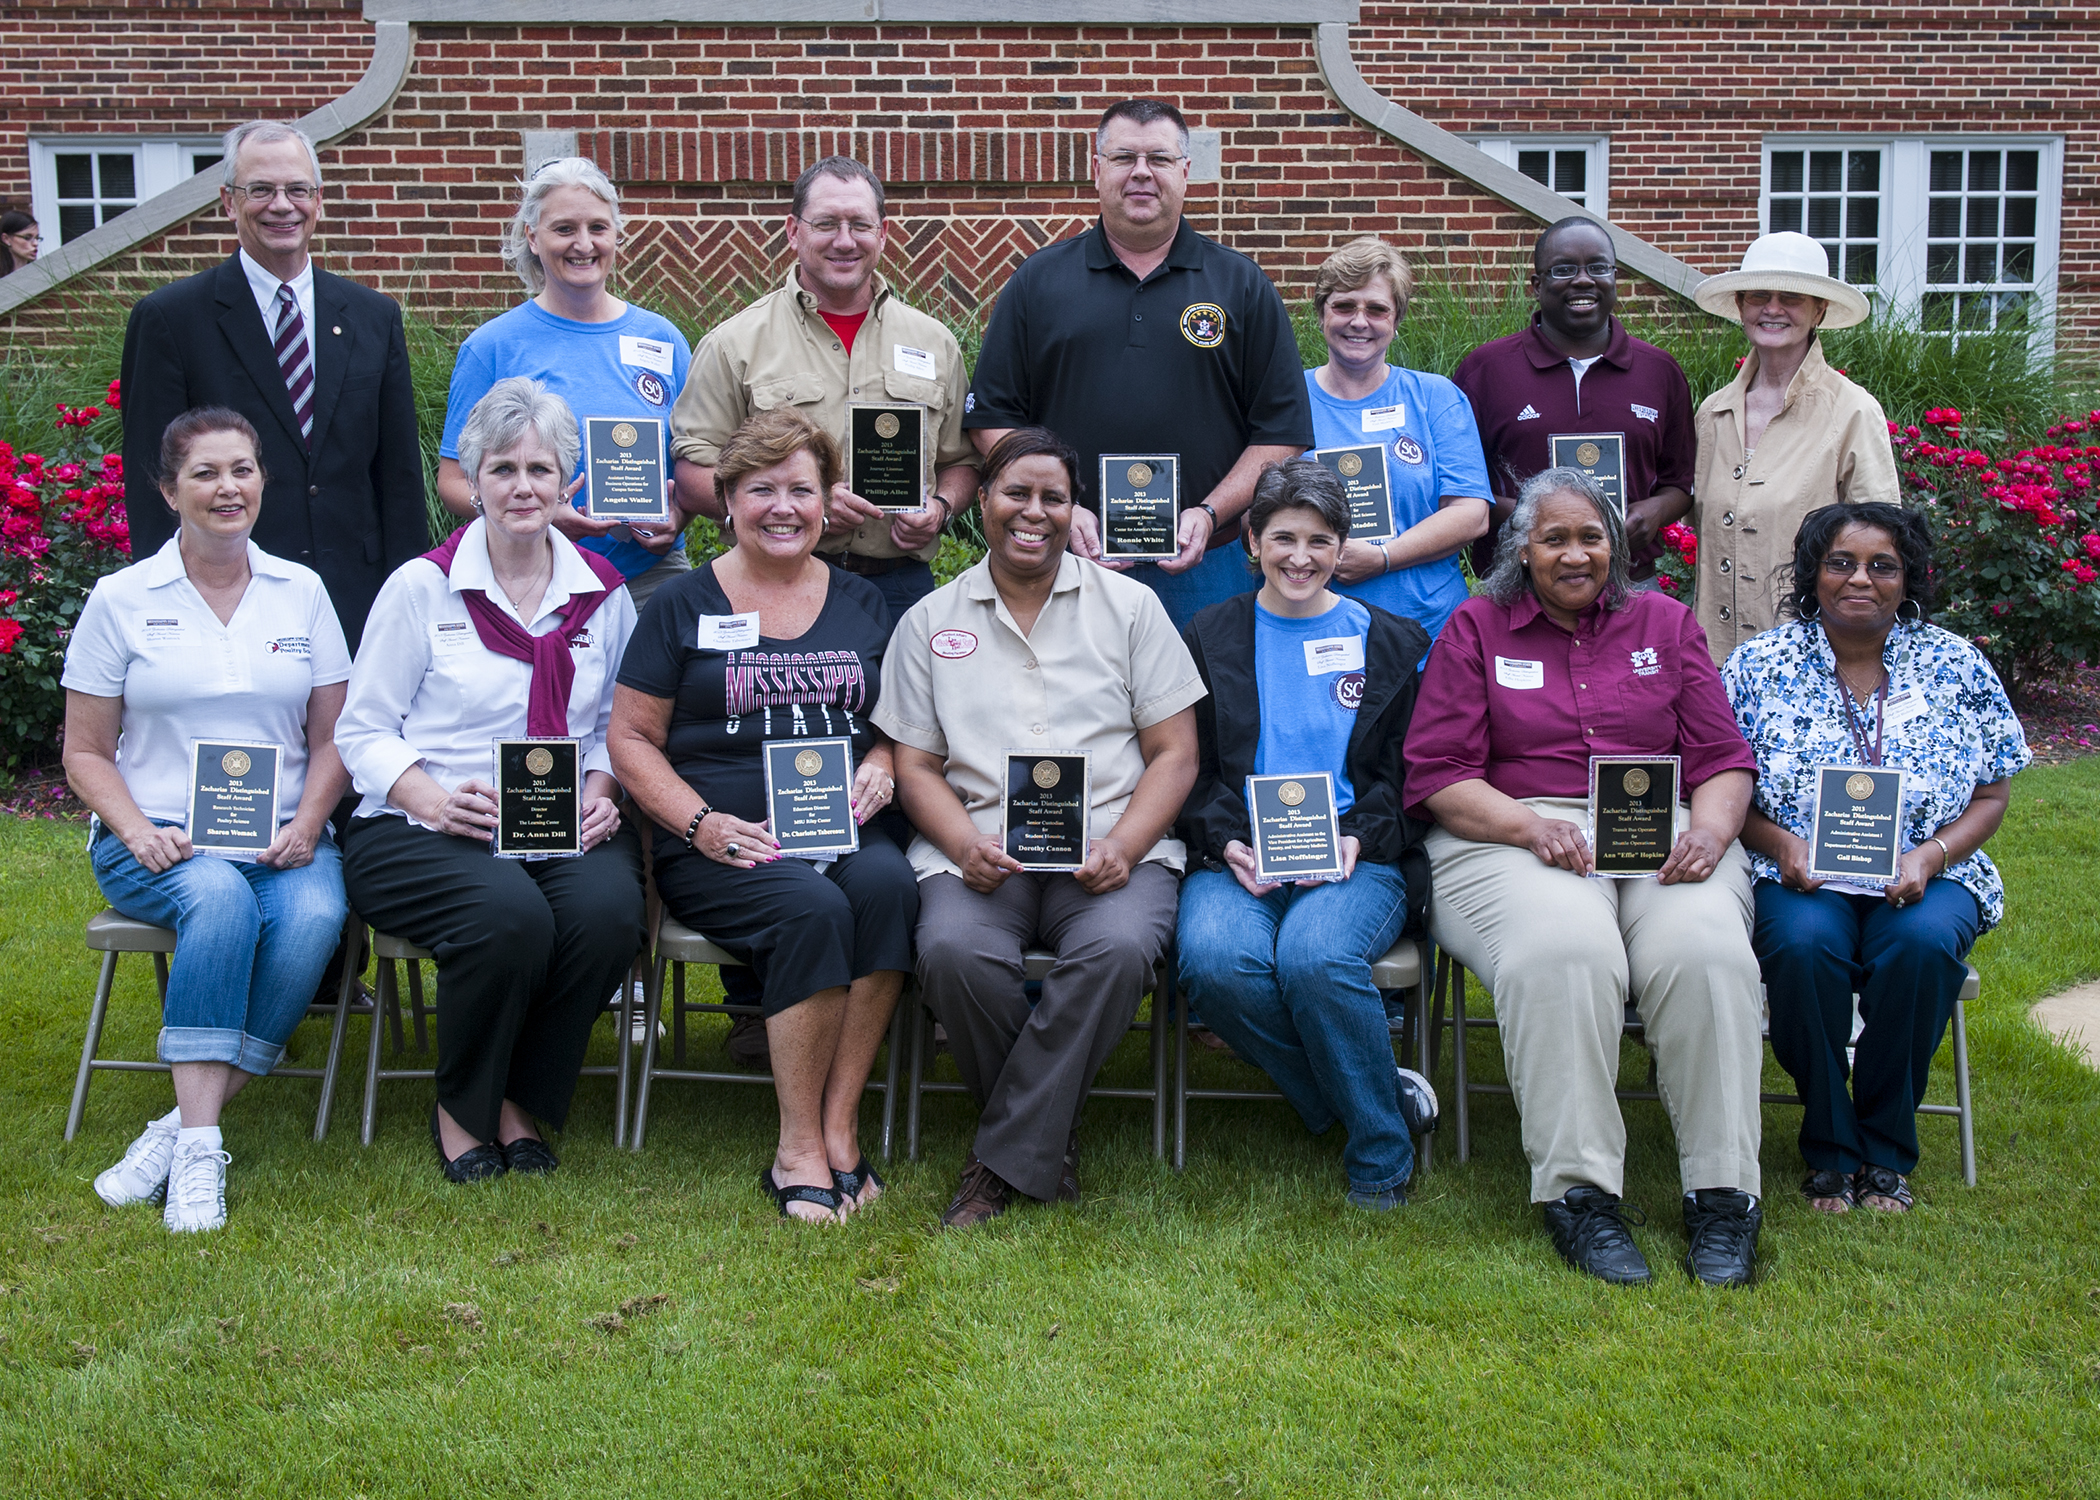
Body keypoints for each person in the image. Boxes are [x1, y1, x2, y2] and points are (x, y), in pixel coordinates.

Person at [1404, 468, 1765, 1288]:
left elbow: (1721, 759)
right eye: (1554, 538)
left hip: (1663, 825)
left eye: (1591, 535)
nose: (1575, 553)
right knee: (1565, 950)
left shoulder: (1665, 623)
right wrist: (1530, 825)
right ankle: (1581, 1196)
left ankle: (1723, 1196)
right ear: (1521, 550)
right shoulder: (1476, 628)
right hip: (1508, 829)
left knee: (1706, 952)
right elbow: (1438, 775)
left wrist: (1711, 831)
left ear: (1616, 545)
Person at [874, 427, 1206, 1228]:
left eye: (1053, 497)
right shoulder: (929, 620)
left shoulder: (1131, 608)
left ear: (1074, 509)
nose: (1034, 512)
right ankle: (1040, 1145)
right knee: (954, 951)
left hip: (1111, 849)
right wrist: (961, 845)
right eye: (1016, 493)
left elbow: (1175, 753)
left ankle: (999, 1162)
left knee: (1119, 949)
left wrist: (1124, 847)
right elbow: (914, 765)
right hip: (979, 850)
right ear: (982, 501)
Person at [610, 407, 916, 1224]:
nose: (784, 508)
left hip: (841, 823)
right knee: (808, 909)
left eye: (802, 490)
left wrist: (882, 764)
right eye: (762, 490)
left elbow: (895, 723)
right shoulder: (680, 604)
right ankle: (797, 1148)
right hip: (720, 837)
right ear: (729, 501)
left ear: (827, 500)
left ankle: (841, 1124)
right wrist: (698, 821)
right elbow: (632, 738)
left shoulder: (862, 600)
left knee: (889, 889)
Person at [335, 377, 644, 1184]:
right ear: (472, 482)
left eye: (540, 470)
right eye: (502, 469)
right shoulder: (421, 589)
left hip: (560, 820)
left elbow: (621, 724)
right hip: (421, 825)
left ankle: (518, 1096)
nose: (522, 487)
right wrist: (431, 801)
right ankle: (465, 1108)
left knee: (609, 913)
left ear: (568, 482)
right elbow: (361, 729)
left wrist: (603, 795)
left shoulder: (603, 597)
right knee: (509, 917)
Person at [60, 408, 352, 1234]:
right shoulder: (121, 599)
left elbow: (333, 736)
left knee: (318, 917)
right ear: (167, 490)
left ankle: (176, 1128)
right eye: (206, 473)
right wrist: (136, 830)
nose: (229, 488)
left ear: (263, 480)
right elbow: (85, 752)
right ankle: (199, 1156)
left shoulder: (303, 592)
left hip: (281, 839)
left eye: (243, 470)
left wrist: (307, 823)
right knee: (217, 896)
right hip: (154, 837)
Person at [1723, 503, 2028, 1214]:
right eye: (1841, 563)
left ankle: (1885, 1152)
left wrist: (1931, 854)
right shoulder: (1759, 665)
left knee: (1919, 949)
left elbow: (1993, 791)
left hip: (1930, 873)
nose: (1860, 579)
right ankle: (1831, 1148)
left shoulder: (1956, 663)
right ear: (1813, 573)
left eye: (1881, 566)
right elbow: (1725, 785)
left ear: (1908, 576)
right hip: (1797, 869)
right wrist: (1782, 846)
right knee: (1802, 949)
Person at [1175, 459, 1441, 1210]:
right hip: (1239, 854)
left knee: (1315, 957)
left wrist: (1360, 835)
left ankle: (1381, 1153)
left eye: (1320, 541)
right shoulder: (1210, 634)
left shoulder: (1391, 641)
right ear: (1251, 540)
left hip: (1360, 860)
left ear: (1341, 547)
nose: (1300, 556)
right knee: (1217, 960)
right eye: (1283, 537)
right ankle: (1367, 1091)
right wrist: (1226, 839)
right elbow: (1187, 772)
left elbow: (1412, 776)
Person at [964, 99, 1313, 630]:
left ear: (1186, 173)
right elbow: (992, 417)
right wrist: (1061, 509)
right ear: (1098, 169)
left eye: (1160, 159)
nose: (1142, 173)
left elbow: (1281, 432)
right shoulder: (1038, 282)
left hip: (1207, 565)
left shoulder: (1242, 285)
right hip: (1068, 557)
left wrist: (1210, 513)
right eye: (1124, 157)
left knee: (1207, 711)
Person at [118, 120, 424, 651]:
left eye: (297, 189)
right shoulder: (170, 319)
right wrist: (161, 609)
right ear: (228, 202)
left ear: (318, 200)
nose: (281, 205)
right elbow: (153, 480)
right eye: (260, 190)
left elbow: (397, 476)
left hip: (356, 599)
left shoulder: (374, 316)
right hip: (225, 600)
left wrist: (412, 593)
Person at [669, 155, 978, 622]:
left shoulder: (934, 343)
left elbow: (961, 461)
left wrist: (940, 507)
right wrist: (799, 506)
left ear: (883, 233)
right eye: (826, 223)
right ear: (794, 231)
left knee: (903, 699)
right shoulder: (735, 343)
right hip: (774, 580)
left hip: (899, 589)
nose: (844, 240)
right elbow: (693, 472)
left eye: (860, 224)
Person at [438, 159, 697, 611]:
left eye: (598, 227)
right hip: (530, 577)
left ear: (617, 235)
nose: (583, 244)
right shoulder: (492, 347)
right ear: (533, 237)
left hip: (648, 576)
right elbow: (453, 480)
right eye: (564, 229)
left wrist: (682, 514)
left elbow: (696, 459)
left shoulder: (663, 340)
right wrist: (536, 513)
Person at [1691, 231, 1901, 661]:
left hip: (1809, 663)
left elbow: (1882, 548)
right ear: (1739, 306)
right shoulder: (1713, 414)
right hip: (1711, 659)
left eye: (1792, 296)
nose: (1772, 308)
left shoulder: (1854, 412)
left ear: (1819, 310)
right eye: (1758, 296)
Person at [1452, 217, 1694, 588]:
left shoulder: (1659, 371)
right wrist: (1535, 519)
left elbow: (1680, 481)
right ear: (1537, 285)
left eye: (1598, 267)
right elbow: (1463, 487)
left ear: (1615, 278)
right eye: (1563, 269)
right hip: (1518, 585)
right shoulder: (1485, 371)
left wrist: (1655, 511)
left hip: (1630, 583)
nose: (1583, 280)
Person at [1302, 238, 1489, 643]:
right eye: (1344, 305)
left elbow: (1472, 512)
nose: (1359, 321)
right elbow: (1255, 514)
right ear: (1321, 313)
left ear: (1396, 319)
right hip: (1318, 631)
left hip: (1428, 631)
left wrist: (1383, 558)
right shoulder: (1287, 400)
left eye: (1376, 309)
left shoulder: (1435, 397)